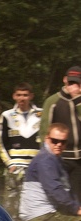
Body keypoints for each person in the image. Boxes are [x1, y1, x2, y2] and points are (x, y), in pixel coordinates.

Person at [18, 123, 81, 221]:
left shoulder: (53, 159)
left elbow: (65, 190)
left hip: (40, 215)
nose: (58, 144)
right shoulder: (46, 160)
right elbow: (55, 190)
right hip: (42, 216)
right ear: (47, 139)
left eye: (63, 142)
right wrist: (76, 209)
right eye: (54, 141)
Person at [0, 82, 41, 218]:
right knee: (10, 207)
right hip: (15, 169)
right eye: (19, 95)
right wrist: (10, 164)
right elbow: (0, 143)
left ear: (31, 96)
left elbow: (47, 141)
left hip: (35, 168)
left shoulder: (41, 114)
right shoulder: (7, 115)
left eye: (25, 95)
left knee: (34, 206)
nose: (22, 98)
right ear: (14, 96)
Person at [39, 66, 81, 200]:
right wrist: (47, 157)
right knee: (60, 196)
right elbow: (44, 131)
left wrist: (77, 100)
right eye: (71, 82)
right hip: (60, 157)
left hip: (79, 159)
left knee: (78, 198)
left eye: (77, 83)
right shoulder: (52, 101)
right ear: (64, 80)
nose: (73, 86)